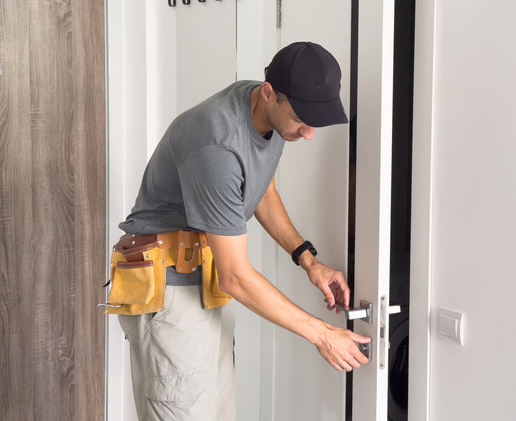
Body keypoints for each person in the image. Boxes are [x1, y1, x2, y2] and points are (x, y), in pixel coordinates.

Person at [115, 42, 371, 421]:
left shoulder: (263, 110)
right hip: (169, 295)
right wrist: (322, 334)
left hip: (205, 283)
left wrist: (308, 260)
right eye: (303, 119)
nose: (310, 133)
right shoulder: (216, 145)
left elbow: (260, 187)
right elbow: (237, 276)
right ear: (270, 94)